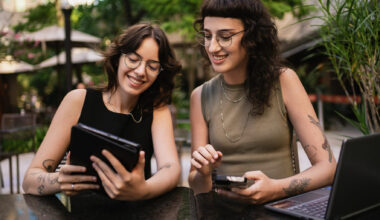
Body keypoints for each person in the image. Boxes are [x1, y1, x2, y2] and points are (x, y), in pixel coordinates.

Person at [188, 0, 337, 204]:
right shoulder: (200, 96)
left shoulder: (284, 81)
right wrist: (203, 173)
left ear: (252, 37)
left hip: (280, 210)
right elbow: (197, 187)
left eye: (224, 37)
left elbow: (328, 168)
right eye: (207, 36)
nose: (212, 47)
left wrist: (276, 189)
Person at [23, 23, 182, 201]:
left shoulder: (156, 109)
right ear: (117, 58)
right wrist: (59, 180)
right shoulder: (78, 101)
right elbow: (30, 180)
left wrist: (143, 190)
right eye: (133, 59)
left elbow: (171, 168)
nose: (140, 71)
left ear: (160, 73)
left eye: (152, 66)